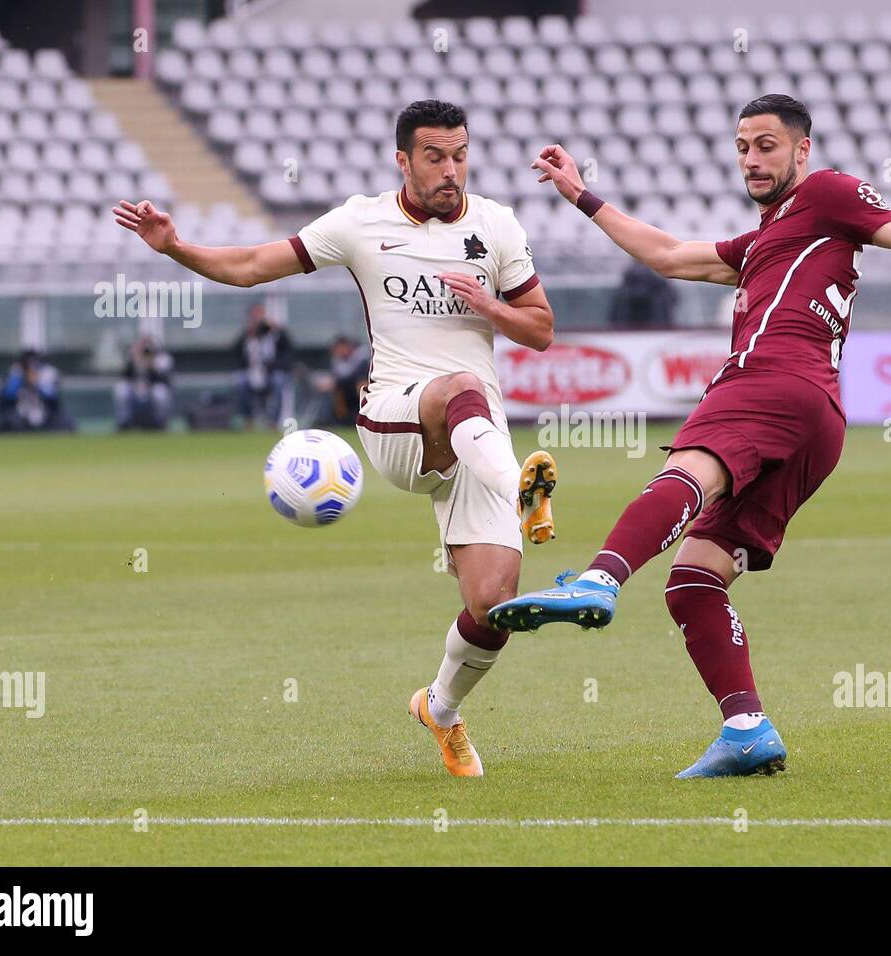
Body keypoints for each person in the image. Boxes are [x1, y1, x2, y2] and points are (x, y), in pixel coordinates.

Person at [490, 93, 891, 778]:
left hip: (772, 377)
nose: (752, 160)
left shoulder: (828, 195)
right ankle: (747, 728)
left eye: (766, 145)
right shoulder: (766, 240)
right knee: (696, 576)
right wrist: (582, 195)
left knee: (692, 469)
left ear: (802, 150)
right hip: (818, 422)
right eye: (742, 147)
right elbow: (666, 254)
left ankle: (599, 581)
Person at [114, 99, 558, 777]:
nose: (451, 169)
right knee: (460, 385)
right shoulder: (360, 222)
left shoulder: (496, 224)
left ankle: (438, 709)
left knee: (493, 603)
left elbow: (541, 329)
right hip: (396, 417)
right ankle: (526, 493)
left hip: (478, 437)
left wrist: (490, 304)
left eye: (461, 154)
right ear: (403, 159)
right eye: (435, 156)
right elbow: (252, 266)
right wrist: (175, 246)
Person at [233, 303, 293, 429]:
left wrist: (275, 329)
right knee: (240, 381)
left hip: (272, 371)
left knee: (278, 380)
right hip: (252, 372)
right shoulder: (247, 335)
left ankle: (272, 422)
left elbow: (288, 350)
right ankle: (248, 420)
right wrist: (250, 333)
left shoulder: (276, 334)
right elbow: (237, 353)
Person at [0, 349, 74, 432]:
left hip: (43, 414)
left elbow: (52, 397)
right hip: (21, 414)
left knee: (65, 423)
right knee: (10, 422)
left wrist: (36, 383)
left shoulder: (45, 375)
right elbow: (9, 395)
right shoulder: (16, 374)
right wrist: (22, 379)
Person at [114, 335, 174, 430]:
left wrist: (151, 365)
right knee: (121, 389)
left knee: (160, 392)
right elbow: (124, 376)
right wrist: (134, 359)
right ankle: (124, 422)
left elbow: (165, 380)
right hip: (135, 388)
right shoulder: (134, 356)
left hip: (153, 388)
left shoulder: (162, 358)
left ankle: (161, 423)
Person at [312, 334, 367, 427]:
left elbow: (356, 377)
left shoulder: (361, 358)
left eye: (340, 348)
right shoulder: (339, 360)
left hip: (358, 391)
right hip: (345, 392)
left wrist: (335, 383)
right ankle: (325, 419)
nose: (338, 351)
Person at [607, 260, 677, 328]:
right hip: (629, 317)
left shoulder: (658, 278)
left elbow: (671, 297)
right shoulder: (630, 274)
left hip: (655, 317)